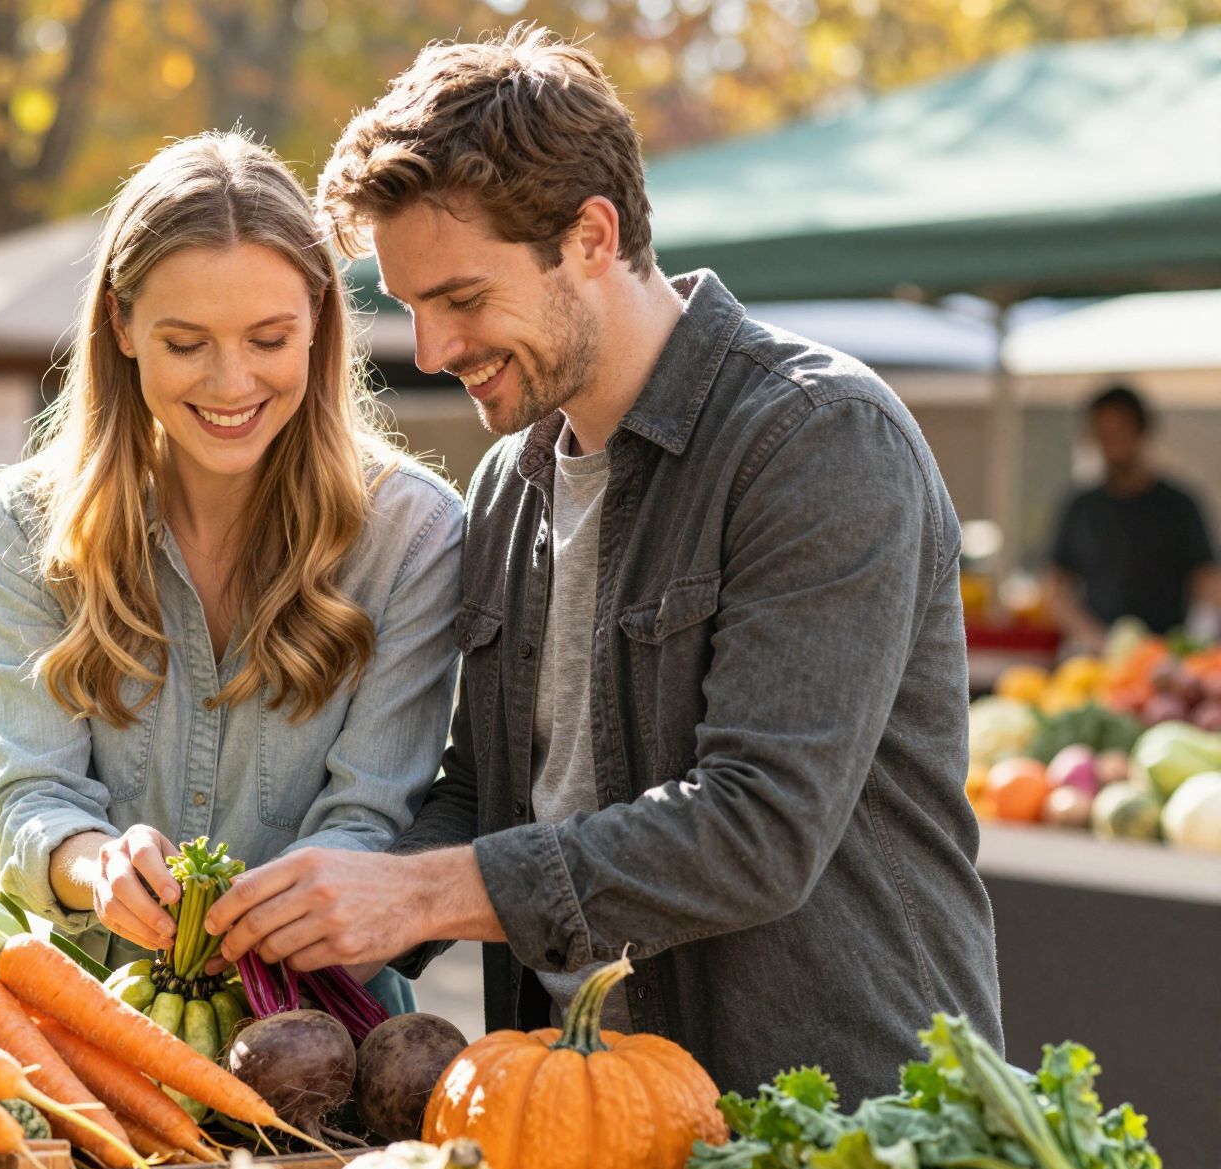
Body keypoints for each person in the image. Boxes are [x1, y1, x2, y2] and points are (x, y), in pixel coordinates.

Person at [205, 29, 1001, 1102]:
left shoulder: (817, 440)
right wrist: (334, 912)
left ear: (589, 234)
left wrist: (426, 897)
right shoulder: (503, 488)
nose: (432, 352)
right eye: (410, 308)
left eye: (462, 299)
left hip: (823, 1124)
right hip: (576, 1111)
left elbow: (754, 827)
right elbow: (490, 792)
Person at [0, 132, 464, 1010]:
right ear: (121, 326)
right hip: (95, 1027)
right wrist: (96, 866)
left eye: (268, 338)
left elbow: (372, 821)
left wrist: (245, 929)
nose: (231, 384)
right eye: (186, 343)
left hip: (323, 1031)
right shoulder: (31, 523)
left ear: (317, 316)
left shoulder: (412, 534)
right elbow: (22, 796)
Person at [1044, 384, 1221, 646]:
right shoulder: (1081, 507)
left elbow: (1206, 581)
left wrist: (1195, 641)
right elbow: (1055, 586)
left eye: (1120, 431)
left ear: (1141, 431)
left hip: (1164, 649)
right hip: (1097, 653)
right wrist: (1090, 637)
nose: (1112, 443)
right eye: (1103, 433)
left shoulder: (1179, 505)